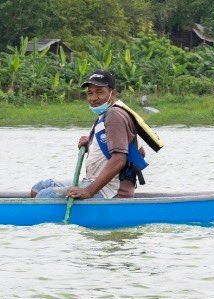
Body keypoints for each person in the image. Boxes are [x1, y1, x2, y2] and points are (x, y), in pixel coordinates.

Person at [30, 69, 151, 200]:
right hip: (92, 182)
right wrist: (91, 142)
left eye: (99, 92)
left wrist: (89, 191)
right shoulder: (105, 115)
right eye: (90, 93)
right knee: (39, 187)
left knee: (44, 195)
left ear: (113, 93)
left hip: (109, 191)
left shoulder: (114, 115)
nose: (93, 98)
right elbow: (126, 147)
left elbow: (119, 159)